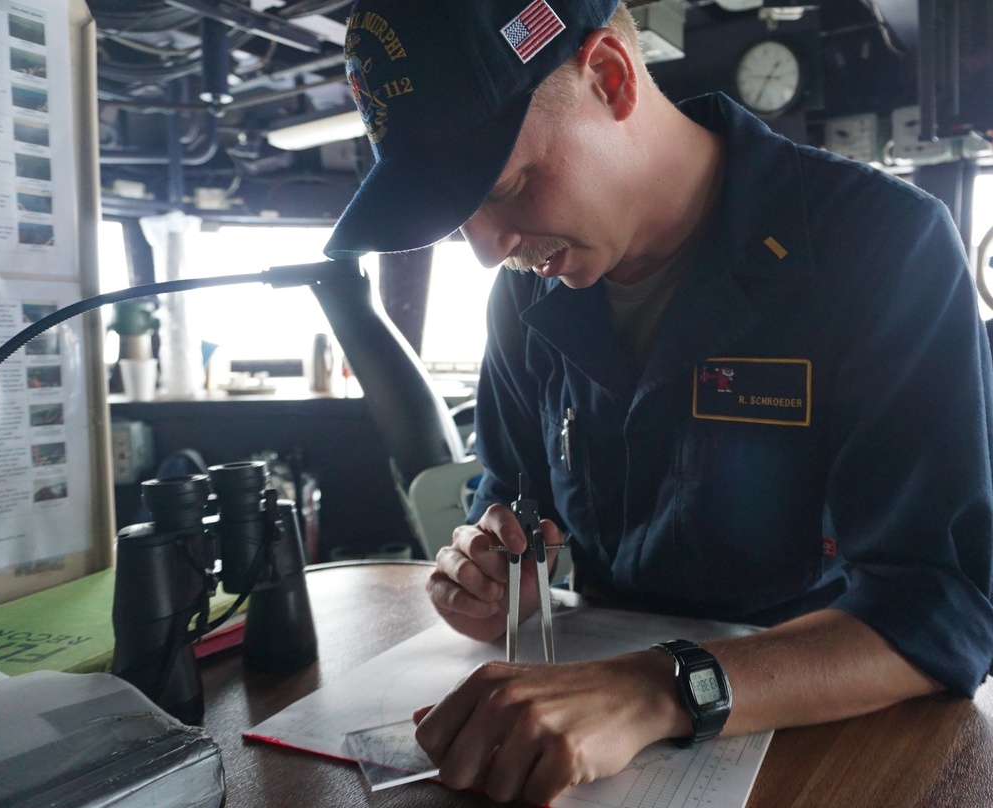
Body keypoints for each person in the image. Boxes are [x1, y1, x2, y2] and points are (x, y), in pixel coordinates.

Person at [325, 0, 993, 804]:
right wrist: (497, 570)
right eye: (459, 219)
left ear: (608, 76)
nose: (488, 250)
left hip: (821, 737)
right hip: (582, 739)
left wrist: (658, 688)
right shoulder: (523, 299)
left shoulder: (882, 247)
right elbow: (512, 497)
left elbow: (940, 609)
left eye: (503, 186)